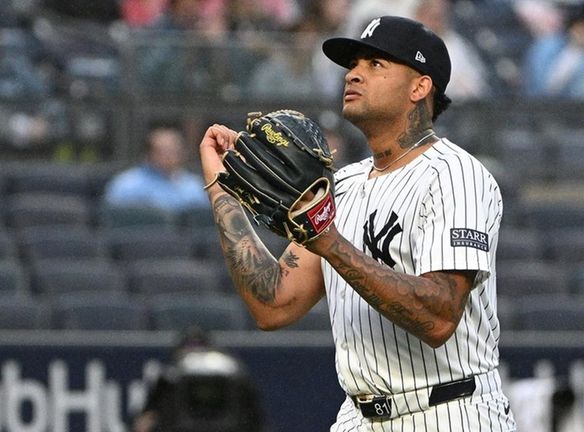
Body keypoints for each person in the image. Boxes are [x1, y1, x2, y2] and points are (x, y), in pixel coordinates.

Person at [199, 15, 516, 431]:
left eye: (375, 64)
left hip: (449, 409)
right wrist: (223, 190)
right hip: (359, 417)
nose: (354, 74)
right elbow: (273, 304)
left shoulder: (456, 176)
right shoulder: (342, 185)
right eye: (353, 65)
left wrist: (329, 242)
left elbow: (439, 317)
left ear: (420, 87)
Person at [132, 327, 267, 432]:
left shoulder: (234, 381)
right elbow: (144, 423)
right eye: (189, 349)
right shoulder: (168, 383)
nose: (194, 354)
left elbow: (257, 423)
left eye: (199, 348)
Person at [522, 2, 584, 102]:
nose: (581, 33)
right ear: (568, 27)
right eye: (577, 27)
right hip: (553, 111)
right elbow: (539, 90)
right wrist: (572, 54)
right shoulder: (545, 48)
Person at [104, 125, 209, 212]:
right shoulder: (126, 185)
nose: (169, 157)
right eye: (163, 151)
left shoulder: (193, 185)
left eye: (174, 151)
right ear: (148, 154)